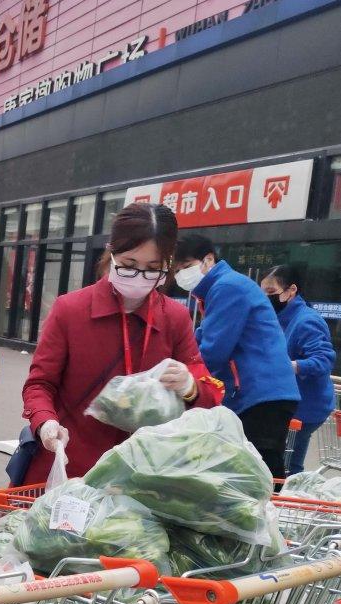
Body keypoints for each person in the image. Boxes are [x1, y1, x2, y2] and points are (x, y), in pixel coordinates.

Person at [22, 203, 220, 483]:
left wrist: (190, 388)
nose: (140, 276)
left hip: (144, 477)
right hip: (73, 468)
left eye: (153, 268)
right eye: (128, 265)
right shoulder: (70, 310)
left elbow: (207, 390)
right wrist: (45, 422)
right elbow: (40, 384)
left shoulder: (174, 317)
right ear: (111, 252)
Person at [174, 234, 300, 478]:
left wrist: (184, 380)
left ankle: (278, 513)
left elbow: (213, 350)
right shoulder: (220, 287)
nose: (181, 275)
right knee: (254, 466)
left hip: (261, 393)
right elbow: (201, 338)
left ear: (208, 260)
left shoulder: (226, 287)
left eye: (186, 267)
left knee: (258, 470)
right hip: (261, 391)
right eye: (177, 270)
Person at [260, 264, 336, 476]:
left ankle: (292, 500)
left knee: (289, 464)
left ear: (291, 290)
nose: (266, 299)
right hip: (287, 401)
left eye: (271, 293)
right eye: (263, 293)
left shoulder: (307, 321)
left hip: (306, 407)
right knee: (279, 459)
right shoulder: (279, 317)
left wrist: (291, 366)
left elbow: (323, 360)